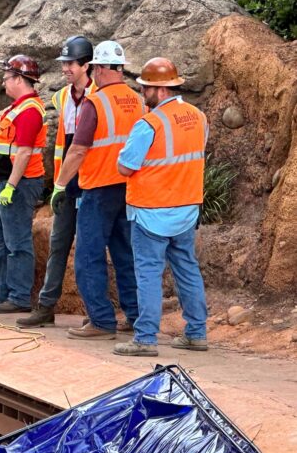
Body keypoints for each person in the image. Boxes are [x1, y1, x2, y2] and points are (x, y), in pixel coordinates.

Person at [114, 58, 209, 357]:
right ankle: (197, 333)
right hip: (186, 209)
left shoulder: (149, 124)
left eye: (145, 88)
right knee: (187, 269)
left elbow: (125, 167)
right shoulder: (198, 117)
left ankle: (145, 339)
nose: (142, 93)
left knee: (148, 274)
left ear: (161, 89)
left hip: (151, 211)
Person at [51, 41, 143, 340]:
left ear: (98, 69)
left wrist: (60, 184)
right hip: (129, 188)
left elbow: (78, 150)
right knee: (125, 255)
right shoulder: (138, 101)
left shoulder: (96, 103)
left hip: (99, 188)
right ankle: (135, 316)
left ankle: (101, 321)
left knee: (88, 256)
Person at [19, 36, 95, 328]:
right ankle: (46, 306)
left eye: (70, 63)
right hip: (68, 181)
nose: (65, 68)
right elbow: (65, 142)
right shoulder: (63, 96)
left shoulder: (99, 95)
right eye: (64, 63)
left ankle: (95, 313)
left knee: (88, 250)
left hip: (92, 181)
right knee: (58, 244)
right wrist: (60, 182)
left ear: (86, 65)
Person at [0, 56, 47, 314]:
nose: (4, 83)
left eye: (7, 78)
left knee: (17, 242)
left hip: (20, 183)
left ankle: (19, 297)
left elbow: (24, 152)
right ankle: (3, 293)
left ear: (19, 79)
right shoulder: (16, 108)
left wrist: (11, 185)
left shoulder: (29, 111)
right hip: (6, 182)